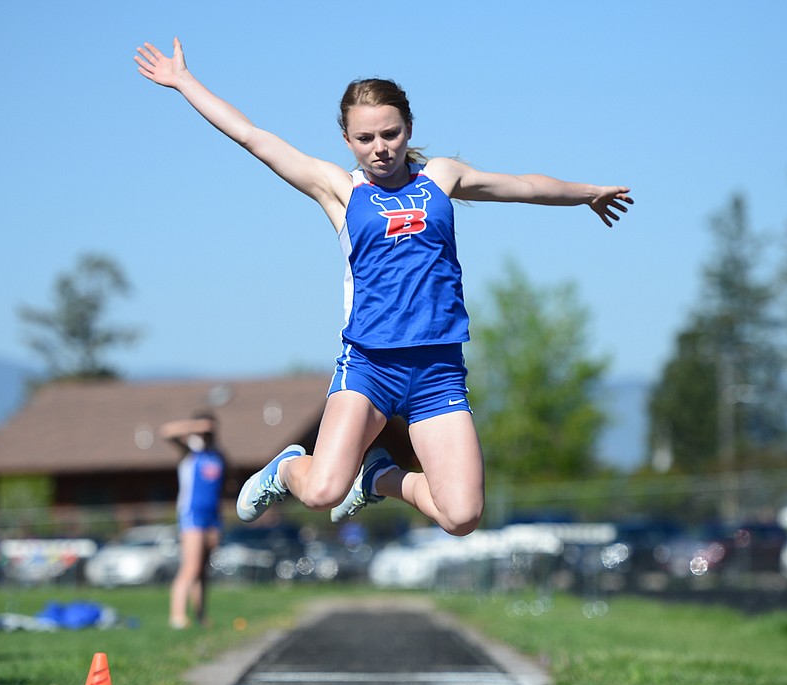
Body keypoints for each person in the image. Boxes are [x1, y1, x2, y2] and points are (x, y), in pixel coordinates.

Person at [135, 39, 633, 538]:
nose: (381, 148)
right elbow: (252, 136)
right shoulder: (341, 190)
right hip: (370, 366)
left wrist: (587, 194)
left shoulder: (441, 176)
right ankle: (287, 466)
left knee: (461, 516)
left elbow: (523, 186)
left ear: (408, 129)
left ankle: (380, 477)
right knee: (322, 492)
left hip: (437, 369)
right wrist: (184, 83)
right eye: (366, 138)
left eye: (391, 134)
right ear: (348, 140)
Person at [158, 411, 225, 629]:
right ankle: (177, 616)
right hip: (192, 514)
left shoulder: (218, 455)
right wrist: (194, 426)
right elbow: (165, 431)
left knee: (203, 569)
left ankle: (200, 616)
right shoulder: (189, 451)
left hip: (212, 516)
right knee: (191, 566)